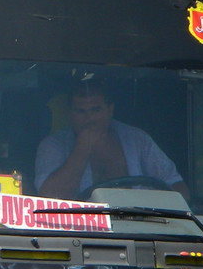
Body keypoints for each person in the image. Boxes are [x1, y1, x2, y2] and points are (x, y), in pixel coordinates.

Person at [34, 80, 188, 199]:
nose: (89, 118)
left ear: (110, 109)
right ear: (70, 114)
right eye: (80, 111)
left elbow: (178, 187)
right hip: (80, 231)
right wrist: (82, 149)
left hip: (143, 228)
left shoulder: (137, 139)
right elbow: (49, 197)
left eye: (96, 110)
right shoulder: (53, 145)